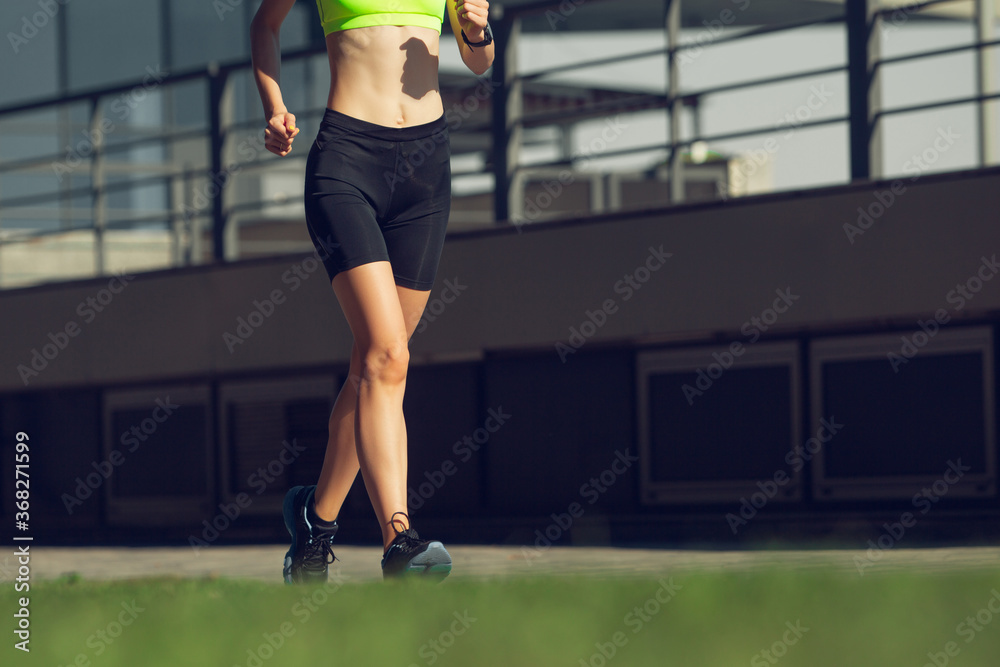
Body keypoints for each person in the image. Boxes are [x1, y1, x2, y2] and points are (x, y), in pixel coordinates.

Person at [250, 0, 494, 582]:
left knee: (374, 366)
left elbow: (479, 60)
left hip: (426, 173)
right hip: (346, 164)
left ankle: (314, 521)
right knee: (388, 354)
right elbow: (265, 23)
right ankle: (400, 541)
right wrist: (275, 107)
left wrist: (477, 30)